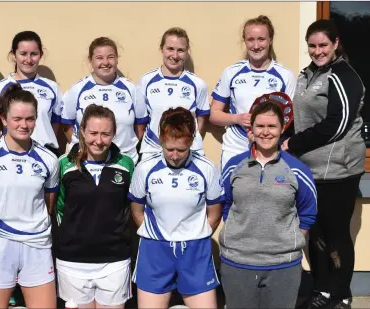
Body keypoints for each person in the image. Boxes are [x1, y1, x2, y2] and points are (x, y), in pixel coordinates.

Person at [282, 19, 366, 309]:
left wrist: (293, 144)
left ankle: (341, 293)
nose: (317, 51)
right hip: (310, 169)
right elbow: (300, 118)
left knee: (337, 233)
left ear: (335, 44)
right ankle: (322, 290)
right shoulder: (307, 74)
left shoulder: (344, 75)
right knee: (315, 232)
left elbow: (338, 123)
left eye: (323, 45)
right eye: (312, 45)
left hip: (339, 170)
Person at [0, 83, 59, 309]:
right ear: (4, 119)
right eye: (17, 119)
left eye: (30, 119)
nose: (24, 125)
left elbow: (48, 206)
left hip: (37, 245)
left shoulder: (49, 159)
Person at [219, 98, 317, 309]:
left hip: (283, 267)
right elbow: (225, 205)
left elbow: (307, 213)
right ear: (251, 129)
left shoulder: (297, 169)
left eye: (272, 126)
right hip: (238, 264)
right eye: (260, 126)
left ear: (282, 128)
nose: (266, 132)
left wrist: (287, 242)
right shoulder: (234, 166)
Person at [128, 107, 223, 309]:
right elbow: (137, 210)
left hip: (195, 251)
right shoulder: (145, 168)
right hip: (155, 250)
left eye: (181, 150)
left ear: (191, 141)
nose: (175, 155)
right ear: (161, 139)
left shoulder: (207, 168)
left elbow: (214, 214)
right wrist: (157, 234)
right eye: (169, 149)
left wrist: (194, 233)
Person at [55, 104, 134, 308]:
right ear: (82, 131)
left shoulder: (126, 164)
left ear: (114, 134)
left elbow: (130, 208)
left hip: (114, 261)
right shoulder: (64, 164)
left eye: (106, 134)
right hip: (72, 261)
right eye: (93, 133)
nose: (98, 141)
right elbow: (58, 208)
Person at [209, 15, 297, 170]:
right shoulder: (231, 72)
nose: (256, 45)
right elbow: (214, 114)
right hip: (235, 147)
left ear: (270, 40)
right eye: (250, 39)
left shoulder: (285, 75)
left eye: (261, 39)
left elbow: (290, 120)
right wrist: (237, 118)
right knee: (232, 193)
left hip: (270, 149)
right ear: (244, 41)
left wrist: (267, 134)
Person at [61, 37, 147, 164]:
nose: (105, 62)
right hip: (85, 162)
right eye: (99, 58)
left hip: (124, 161)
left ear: (117, 59)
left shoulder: (131, 89)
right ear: (90, 60)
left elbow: (140, 126)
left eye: (111, 57)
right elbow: (67, 126)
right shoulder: (76, 90)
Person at [136, 27, 210, 160]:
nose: (175, 56)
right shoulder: (146, 81)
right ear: (162, 49)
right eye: (170, 49)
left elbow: (201, 120)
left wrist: (186, 142)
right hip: (153, 150)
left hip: (188, 151)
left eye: (180, 50)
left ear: (187, 52)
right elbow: (140, 122)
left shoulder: (198, 84)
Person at [0, 31, 63, 156]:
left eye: (34, 54)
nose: (28, 60)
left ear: (40, 55)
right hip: (10, 155)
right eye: (23, 54)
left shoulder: (52, 87)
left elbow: (55, 125)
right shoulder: (0, 88)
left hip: (46, 154)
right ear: (14, 55)